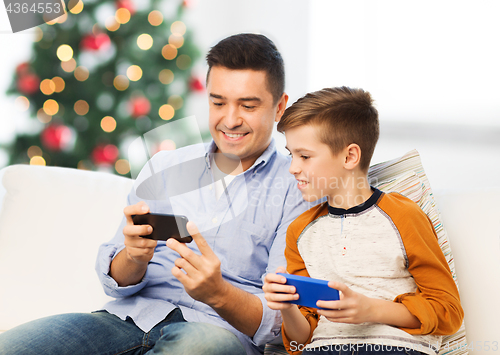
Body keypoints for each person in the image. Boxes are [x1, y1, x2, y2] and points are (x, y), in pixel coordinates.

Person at [0, 34, 313, 355]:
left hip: (215, 332)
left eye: (248, 105)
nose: (230, 120)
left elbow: (284, 321)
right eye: (218, 102)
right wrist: (134, 257)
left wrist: (219, 293)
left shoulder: (299, 186)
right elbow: (115, 279)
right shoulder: (167, 164)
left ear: (279, 107)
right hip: (128, 318)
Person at [262, 87, 464, 355]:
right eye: (291, 155)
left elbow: (447, 311)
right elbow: (301, 341)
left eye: (305, 156)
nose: (293, 168)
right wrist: (286, 306)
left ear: (350, 156)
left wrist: (370, 309)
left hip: (395, 347)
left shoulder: (404, 215)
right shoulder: (300, 232)